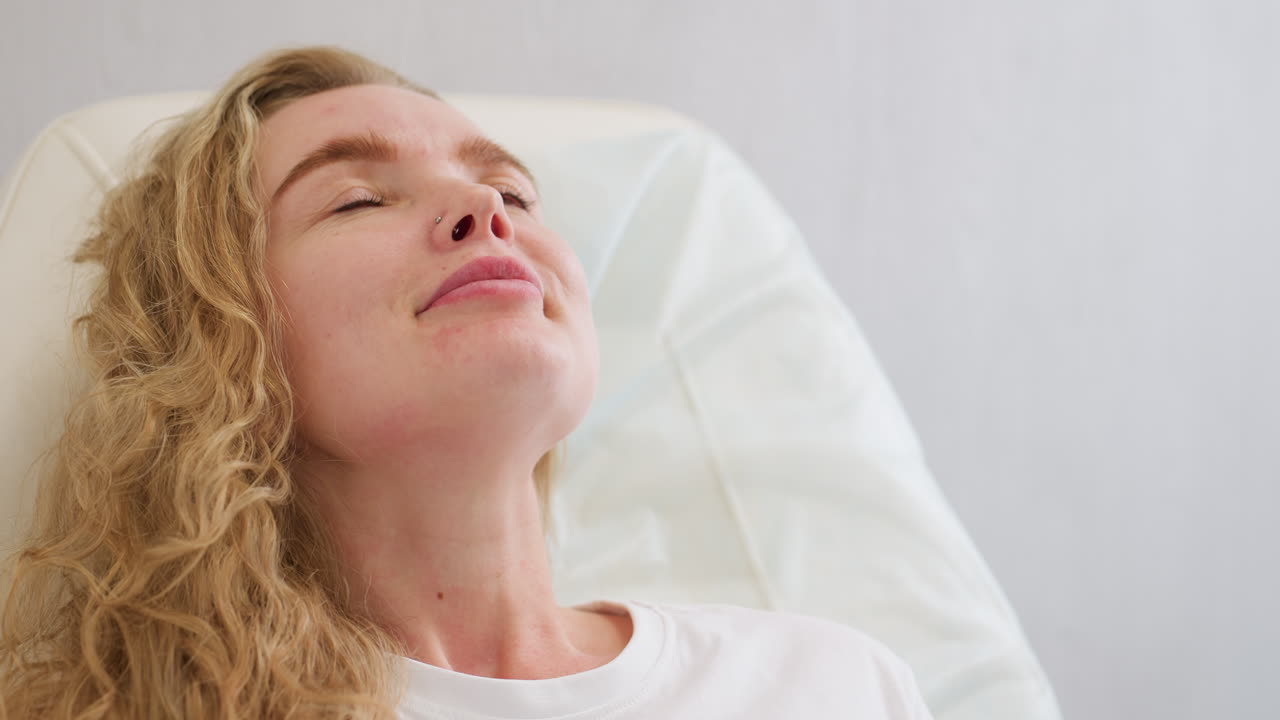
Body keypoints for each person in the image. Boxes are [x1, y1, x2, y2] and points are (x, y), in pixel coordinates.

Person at [0, 46, 934, 719]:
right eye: (358, 198)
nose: (485, 210)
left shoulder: (835, 686)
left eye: (516, 194)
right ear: (222, 334)